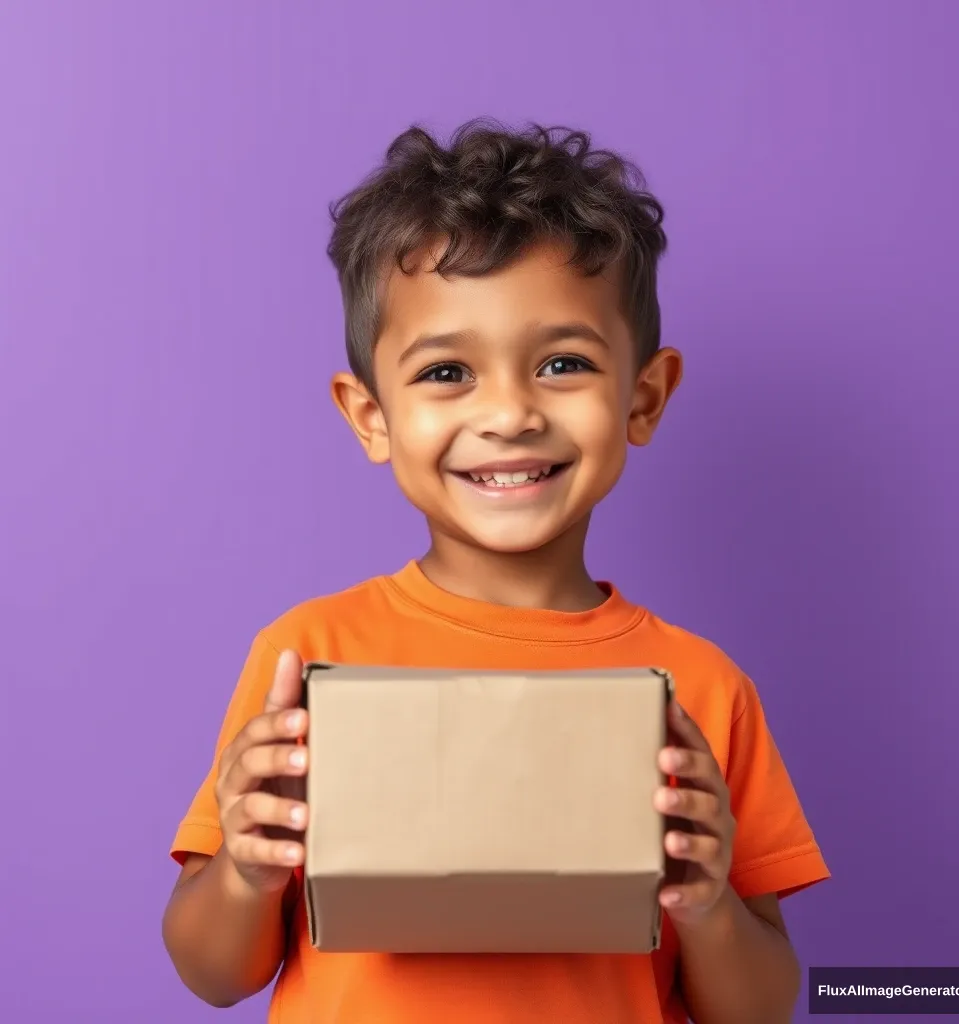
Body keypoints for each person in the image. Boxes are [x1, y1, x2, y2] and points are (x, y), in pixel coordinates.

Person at [162, 119, 829, 1024]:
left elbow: (759, 1007)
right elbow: (213, 973)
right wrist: (245, 868)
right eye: (447, 372)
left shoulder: (703, 690)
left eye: (563, 364)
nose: (509, 413)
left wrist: (708, 904)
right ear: (370, 417)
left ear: (644, 396)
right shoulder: (309, 659)